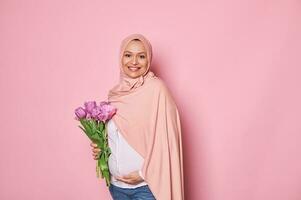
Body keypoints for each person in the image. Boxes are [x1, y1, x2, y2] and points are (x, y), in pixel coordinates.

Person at [91, 34, 185, 200]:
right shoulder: (116, 95)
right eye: (128, 55)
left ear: (148, 60)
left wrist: (143, 173)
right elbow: (122, 136)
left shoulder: (157, 90)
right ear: (121, 57)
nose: (134, 62)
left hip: (146, 188)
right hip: (117, 188)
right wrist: (101, 147)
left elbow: (167, 142)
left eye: (141, 56)